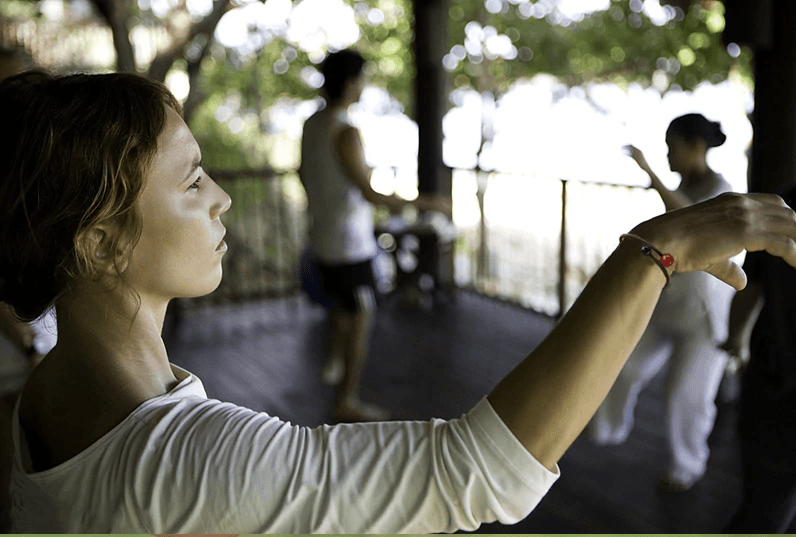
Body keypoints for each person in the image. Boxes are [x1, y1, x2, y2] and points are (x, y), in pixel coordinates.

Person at [2, 71, 796, 534]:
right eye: (189, 179)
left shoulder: (43, 391)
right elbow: (477, 470)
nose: (221, 199)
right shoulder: (182, 464)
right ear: (100, 244)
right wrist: (653, 251)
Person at [298, 50, 451, 422]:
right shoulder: (345, 130)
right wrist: (428, 202)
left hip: (322, 236)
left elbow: (304, 174)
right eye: (362, 78)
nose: (363, 85)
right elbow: (369, 192)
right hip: (349, 244)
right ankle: (346, 399)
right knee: (362, 317)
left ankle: (334, 362)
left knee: (343, 308)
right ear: (351, 82)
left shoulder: (312, 124)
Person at [588, 114, 735, 492]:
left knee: (686, 396)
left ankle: (687, 468)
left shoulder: (722, 189)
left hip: (705, 317)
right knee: (624, 364)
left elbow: (686, 218)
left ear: (695, 147)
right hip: (669, 304)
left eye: (672, 149)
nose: (668, 157)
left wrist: (647, 170)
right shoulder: (687, 183)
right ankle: (606, 431)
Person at [720, 182, 796, 533]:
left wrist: (736, 339)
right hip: (776, 381)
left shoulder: (785, 202)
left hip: (772, 380)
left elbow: (751, 285)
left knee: (764, 509)